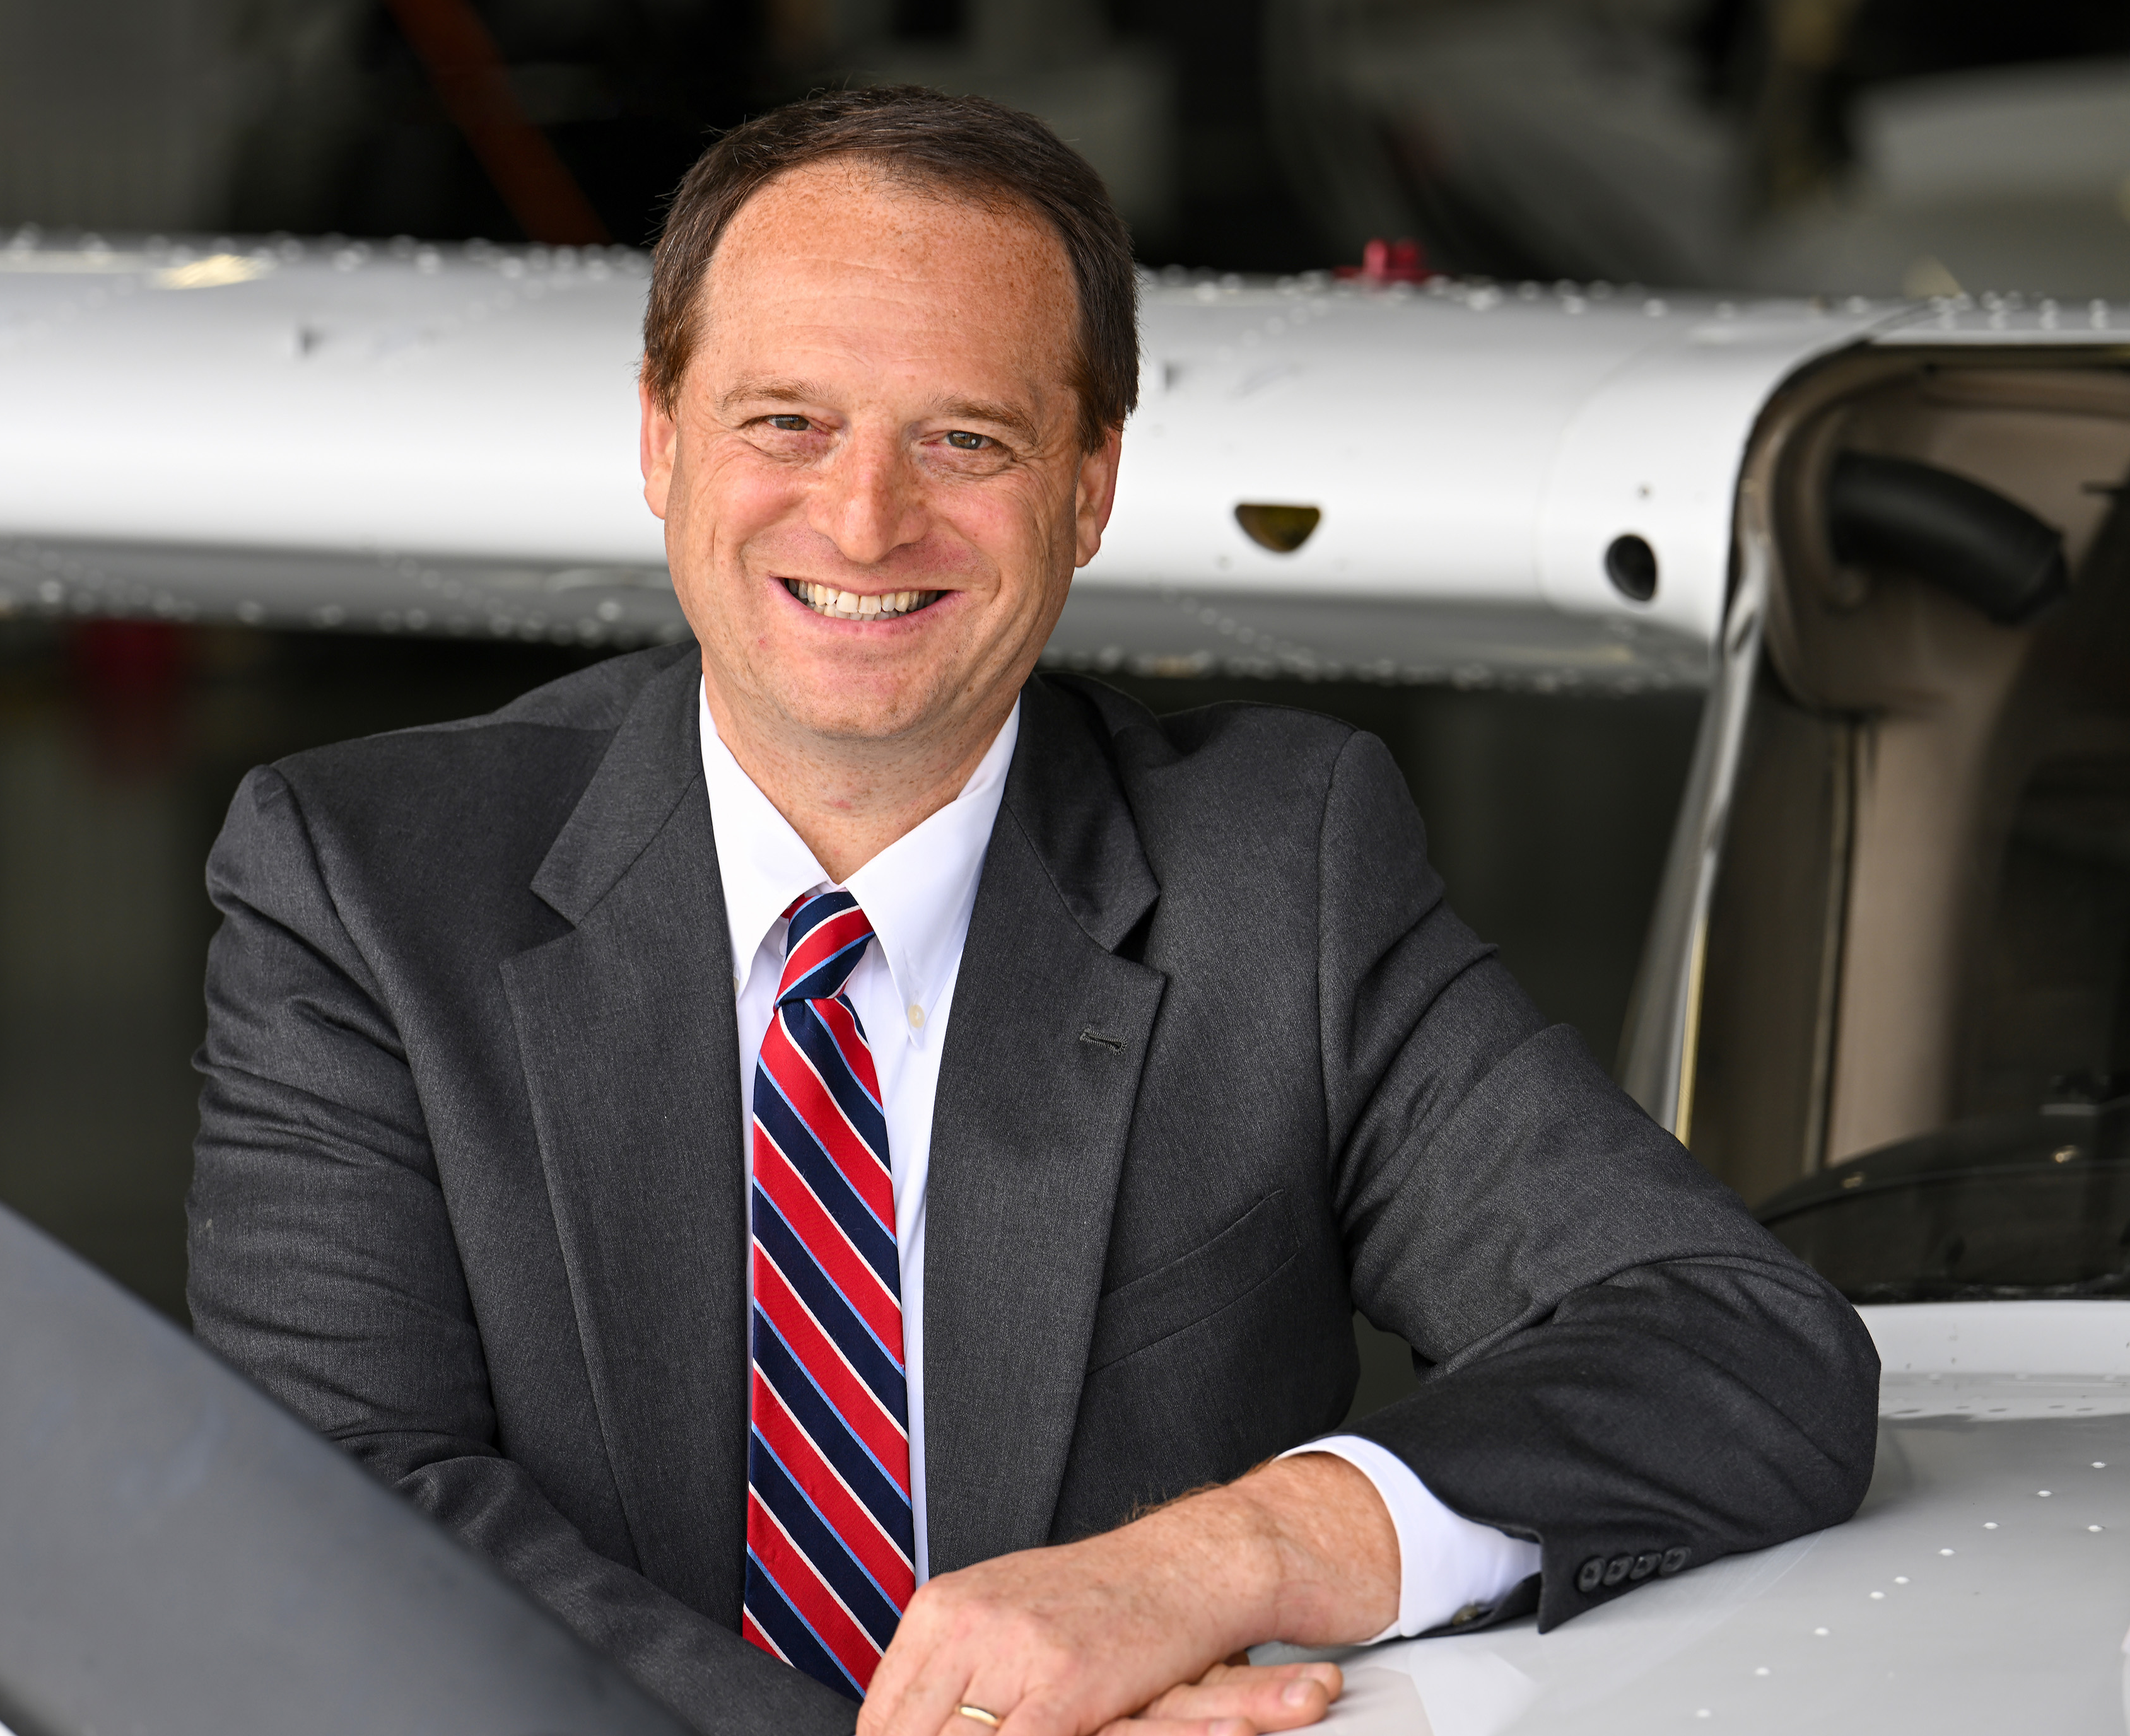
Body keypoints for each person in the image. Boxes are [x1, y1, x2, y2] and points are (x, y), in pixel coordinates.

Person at [187, 87, 1876, 1736]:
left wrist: (1223, 1556)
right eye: (787, 420)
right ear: (659, 433)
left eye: (966, 439)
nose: (864, 517)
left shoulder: (1276, 870)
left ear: (1087, 484)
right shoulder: (362, 889)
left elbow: (1737, 1345)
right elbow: (340, 1513)